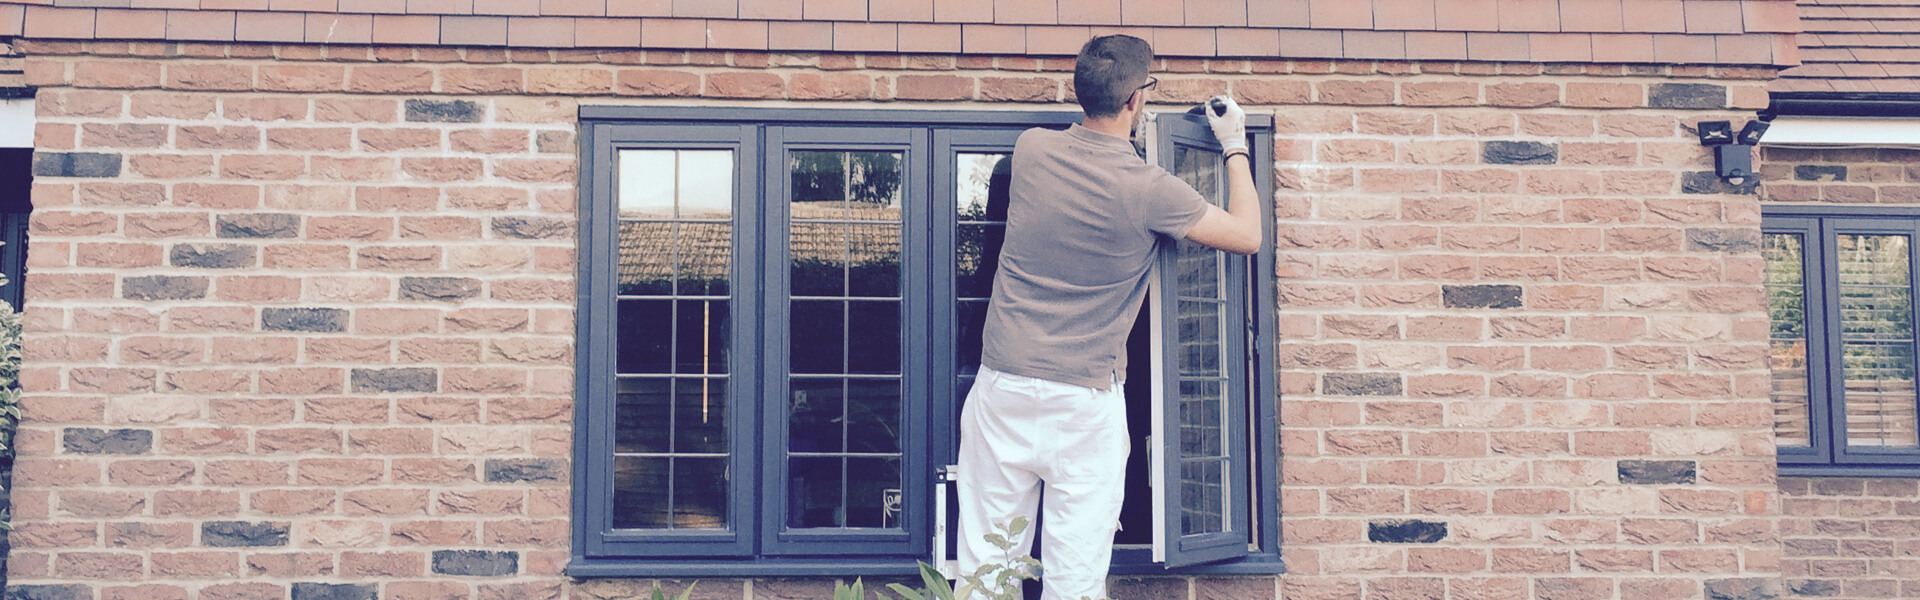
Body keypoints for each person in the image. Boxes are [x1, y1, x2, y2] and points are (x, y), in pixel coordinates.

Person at [955, 34, 1265, 600]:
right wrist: (1235, 144)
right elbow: (1247, 235)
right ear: (1137, 100)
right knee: (1074, 580)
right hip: (1083, 405)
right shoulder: (1149, 190)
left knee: (986, 573)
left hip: (1004, 387)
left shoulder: (1029, 151)